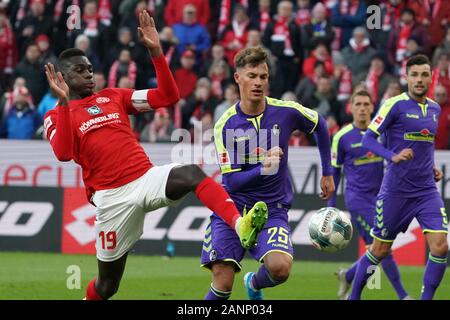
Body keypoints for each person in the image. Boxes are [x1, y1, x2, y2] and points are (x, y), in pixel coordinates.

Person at [43, 11, 267, 300]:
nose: (89, 74)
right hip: (112, 199)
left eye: (89, 69)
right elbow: (62, 153)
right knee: (107, 287)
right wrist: (62, 102)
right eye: (80, 71)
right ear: (62, 77)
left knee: (191, 173)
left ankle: (240, 224)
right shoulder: (55, 115)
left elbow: (167, 97)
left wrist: (157, 52)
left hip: (146, 178)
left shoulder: (114, 96)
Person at [201, 46, 335, 300]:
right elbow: (233, 182)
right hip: (233, 209)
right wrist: (263, 167)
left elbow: (320, 124)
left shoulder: (285, 111)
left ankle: (254, 282)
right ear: (238, 78)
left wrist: (327, 172)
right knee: (223, 280)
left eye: (263, 77)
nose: (258, 82)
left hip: (272, 208)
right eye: (251, 75)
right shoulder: (225, 125)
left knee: (280, 268)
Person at [349, 54, 448, 300]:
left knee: (441, 246)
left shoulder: (435, 109)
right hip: (395, 191)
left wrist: (432, 167)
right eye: (414, 74)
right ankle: (353, 298)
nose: (419, 79)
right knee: (379, 250)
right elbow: (368, 138)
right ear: (407, 77)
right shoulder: (394, 104)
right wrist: (391, 156)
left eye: (424, 74)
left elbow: (425, 145)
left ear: (431, 77)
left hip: (426, 191)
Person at [328, 90, 411, 300]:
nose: (363, 108)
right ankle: (403, 296)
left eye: (366, 104)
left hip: (382, 198)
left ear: (372, 107)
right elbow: (334, 173)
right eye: (358, 104)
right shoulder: (342, 137)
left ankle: (348, 276)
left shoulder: (381, 134)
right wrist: (330, 206)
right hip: (358, 200)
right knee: (384, 247)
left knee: (376, 249)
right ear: (351, 107)